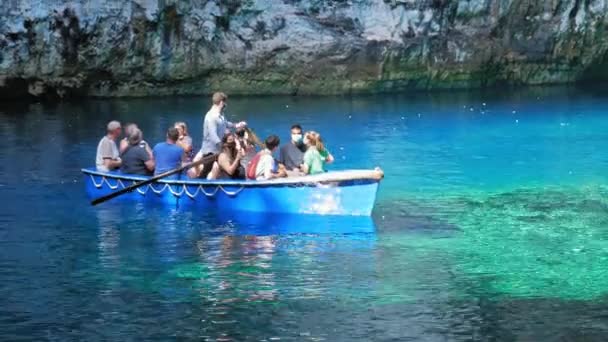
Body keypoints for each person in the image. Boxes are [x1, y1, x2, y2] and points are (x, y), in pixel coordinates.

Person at [198, 92, 247, 178]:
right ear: (221, 102)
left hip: (218, 150)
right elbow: (213, 136)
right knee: (206, 172)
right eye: (224, 103)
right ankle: (198, 185)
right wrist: (223, 146)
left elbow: (225, 123)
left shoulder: (220, 115)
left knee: (217, 170)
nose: (225, 105)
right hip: (210, 151)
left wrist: (236, 125)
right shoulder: (211, 116)